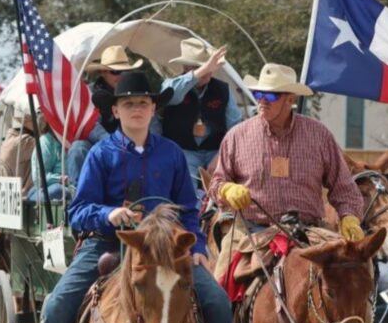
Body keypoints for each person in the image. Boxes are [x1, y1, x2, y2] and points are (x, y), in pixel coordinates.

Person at [14, 71, 262, 323]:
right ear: (115, 111)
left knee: (217, 302)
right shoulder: (100, 155)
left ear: (152, 110)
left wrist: (195, 248)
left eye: (143, 104)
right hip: (109, 244)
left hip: (166, 249)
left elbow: (189, 210)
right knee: (56, 305)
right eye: (129, 104)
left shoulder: (172, 154)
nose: (137, 110)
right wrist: (108, 213)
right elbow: (78, 211)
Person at [208, 62, 388, 323]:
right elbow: (216, 184)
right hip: (252, 228)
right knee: (219, 289)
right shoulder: (237, 136)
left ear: (290, 99)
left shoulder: (319, 135)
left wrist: (350, 218)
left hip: (309, 229)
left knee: (357, 275)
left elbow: (343, 188)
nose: (262, 100)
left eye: (271, 95)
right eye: (258, 94)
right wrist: (227, 190)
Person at [158, 39, 242, 190]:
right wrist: (198, 74)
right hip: (182, 150)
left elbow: (235, 128)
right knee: (186, 188)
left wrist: (221, 156)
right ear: (185, 67)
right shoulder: (172, 84)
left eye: (209, 65)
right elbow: (170, 95)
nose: (206, 70)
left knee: (224, 188)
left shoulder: (222, 89)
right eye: (201, 66)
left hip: (215, 150)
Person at [62, 45, 142, 186]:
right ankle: (79, 196)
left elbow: (149, 123)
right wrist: (111, 142)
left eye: (124, 71)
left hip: (131, 143)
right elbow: (91, 123)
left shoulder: (136, 91)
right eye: (115, 71)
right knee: (78, 148)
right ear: (102, 72)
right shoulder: (89, 93)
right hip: (98, 144)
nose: (121, 76)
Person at [0, 112, 37, 192]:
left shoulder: (9, 141)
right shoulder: (24, 142)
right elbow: (44, 144)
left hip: (10, 193)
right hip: (22, 194)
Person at [27, 120, 66, 202]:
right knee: (58, 190)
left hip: (67, 188)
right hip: (60, 187)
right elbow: (39, 177)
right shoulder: (46, 142)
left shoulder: (67, 141)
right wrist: (60, 179)